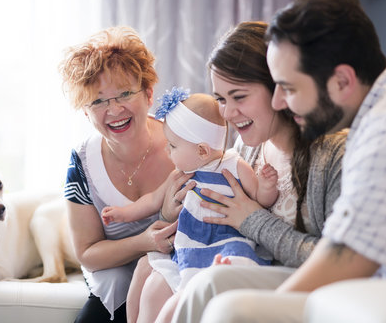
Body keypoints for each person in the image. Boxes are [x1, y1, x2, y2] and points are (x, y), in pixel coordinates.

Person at [195, 0, 386, 322]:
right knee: (216, 283)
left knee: (232, 310)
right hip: (378, 281)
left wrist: (265, 309)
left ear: (342, 81)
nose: (279, 103)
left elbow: (342, 259)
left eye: (288, 88)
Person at [160, 21, 347, 323]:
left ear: (278, 88)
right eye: (221, 99)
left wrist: (252, 220)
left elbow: (342, 260)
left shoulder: (333, 155)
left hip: (312, 289)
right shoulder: (246, 151)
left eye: (239, 97)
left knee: (208, 285)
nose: (227, 114)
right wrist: (170, 215)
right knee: (160, 274)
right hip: (253, 275)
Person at [103, 89, 278, 323]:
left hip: (228, 241)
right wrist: (123, 214)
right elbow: (153, 199)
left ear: (202, 150)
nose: (167, 151)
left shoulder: (235, 165)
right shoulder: (181, 174)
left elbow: (260, 198)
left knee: (228, 264)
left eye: (173, 146)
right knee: (148, 271)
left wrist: (267, 186)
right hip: (190, 243)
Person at [59, 26, 183, 323]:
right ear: (85, 112)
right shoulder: (82, 162)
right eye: (98, 101)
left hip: (176, 274)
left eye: (124, 94)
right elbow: (88, 253)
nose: (113, 110)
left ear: (149, 94)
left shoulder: (186, 144)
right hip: (112, 282)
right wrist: (145, 242)